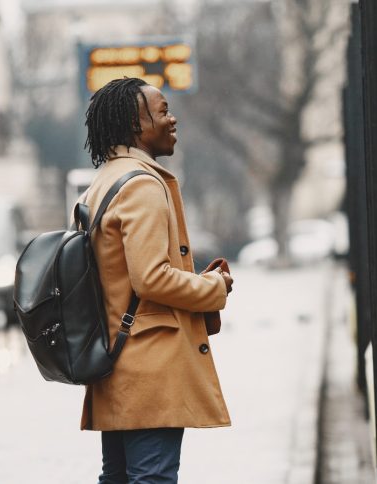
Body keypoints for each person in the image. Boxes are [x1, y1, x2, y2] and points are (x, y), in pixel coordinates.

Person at [80, 77, 234, 483]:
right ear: (136, 125)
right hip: (149, 364)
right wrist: (213, 289)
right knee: (152, 478)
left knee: (117, 476)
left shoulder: (103, 182)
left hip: (116, 358)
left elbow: (123, 277)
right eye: (163, 111)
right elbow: (151, 278)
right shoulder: (142, 185)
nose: (173, 119)